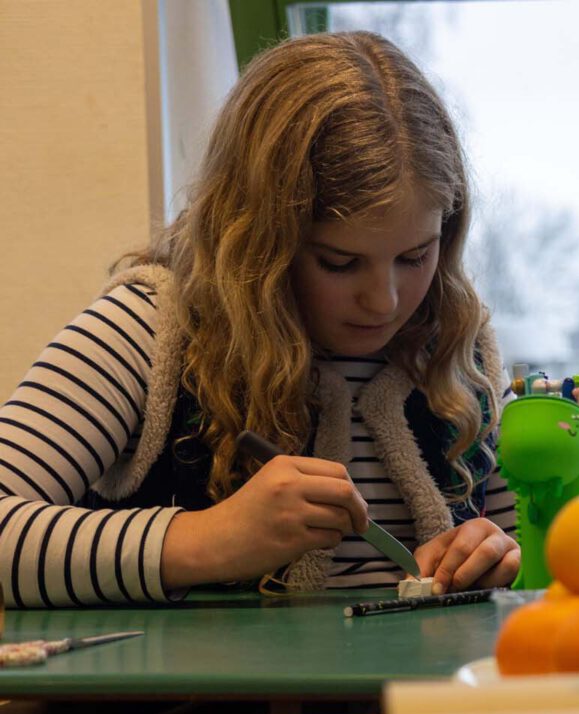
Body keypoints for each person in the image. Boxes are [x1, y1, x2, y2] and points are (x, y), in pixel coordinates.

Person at [0, 32, 519, 608]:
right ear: (258, 241)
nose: (385, 302)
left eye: (415, 256)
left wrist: (495, 556)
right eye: (339, 263)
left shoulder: (461, 349)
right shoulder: (152, 330)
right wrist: (207, 539)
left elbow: (529, 562)